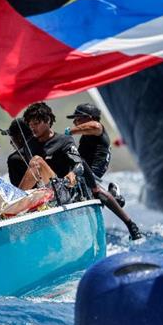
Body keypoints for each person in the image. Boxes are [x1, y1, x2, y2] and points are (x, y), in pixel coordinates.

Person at [64, 103, 142, 241]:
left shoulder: (98, 128)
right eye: (74, 120)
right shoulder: (85, 136)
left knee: (96, 191)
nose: (75, 122)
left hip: (93, 171)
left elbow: (94, 126)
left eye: (78, 118)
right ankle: (113, 196)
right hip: (82, 170)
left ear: (89, 117)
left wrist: (70, 131)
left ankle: (131, 225)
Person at [6, 118, 35, 187]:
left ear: (19, 137)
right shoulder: (49, 147)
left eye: (12, 137)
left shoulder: (14, 159)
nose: (11, 142)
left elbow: (18, 192)